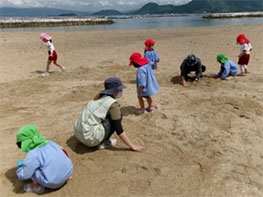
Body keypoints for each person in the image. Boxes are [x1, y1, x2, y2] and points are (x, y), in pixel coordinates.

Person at [74, 77, 143, 151]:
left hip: (78, 133)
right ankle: (103, 142)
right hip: (89, 139)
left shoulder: (98, 98)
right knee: (117, 116)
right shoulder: (112, 103)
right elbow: (118, 129)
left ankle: (98, 138)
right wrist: (132, 146)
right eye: (120, 89)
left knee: (108, 116)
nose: (121, 91)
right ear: (114, 91)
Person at [16, 125, 73, 194]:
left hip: (54, 182)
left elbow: (25, 175)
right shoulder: (51, 143)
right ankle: (64, 175)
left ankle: (37, 185)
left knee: (33, 170)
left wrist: (19, 172)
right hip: (69, 172)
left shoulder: (33, 154)